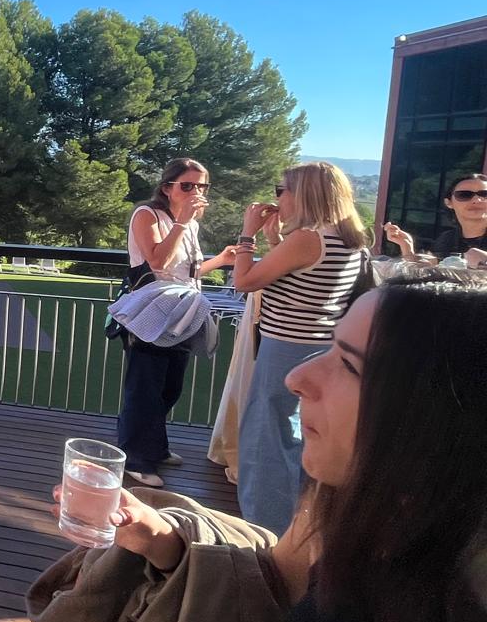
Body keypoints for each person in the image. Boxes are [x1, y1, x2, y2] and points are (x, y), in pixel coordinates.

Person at [89, 268, 487, 622]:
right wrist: (164, 541)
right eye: (328, 347)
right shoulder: (339, 502)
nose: (298, 377)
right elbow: (274, 580)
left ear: (438, 415)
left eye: (349, 364)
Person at [232, 160, 369, 536]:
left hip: (286, 348)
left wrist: (247, 235)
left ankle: (263, 530)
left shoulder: (308, 238)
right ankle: (299, 526)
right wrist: (276, 241)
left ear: (304, 194)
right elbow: (303, 280)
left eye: (282, 190)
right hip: (321, 347)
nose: (278, 197)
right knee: (296, 436)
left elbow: (244, 281)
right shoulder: (348, 238)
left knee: (266, 436)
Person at [115, 158, 238, 488]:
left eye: (202, 186)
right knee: (145, 387)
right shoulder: (148, 215)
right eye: (187, 185)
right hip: (152, 314)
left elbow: (185, 272)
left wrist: (220, 260)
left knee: (170, 387)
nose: (196, 191)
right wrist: (182, 222)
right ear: (167, 188)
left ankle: (154, 446)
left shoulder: (189, 225)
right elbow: (158, 262)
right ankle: (135, 457)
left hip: (182, 313)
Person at [383, 172, 487, 265]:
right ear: (449, 203)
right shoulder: (446, 240)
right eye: (464, 195)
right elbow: (432, 273)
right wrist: (407, 246)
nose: (477, 200)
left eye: (484, 194)